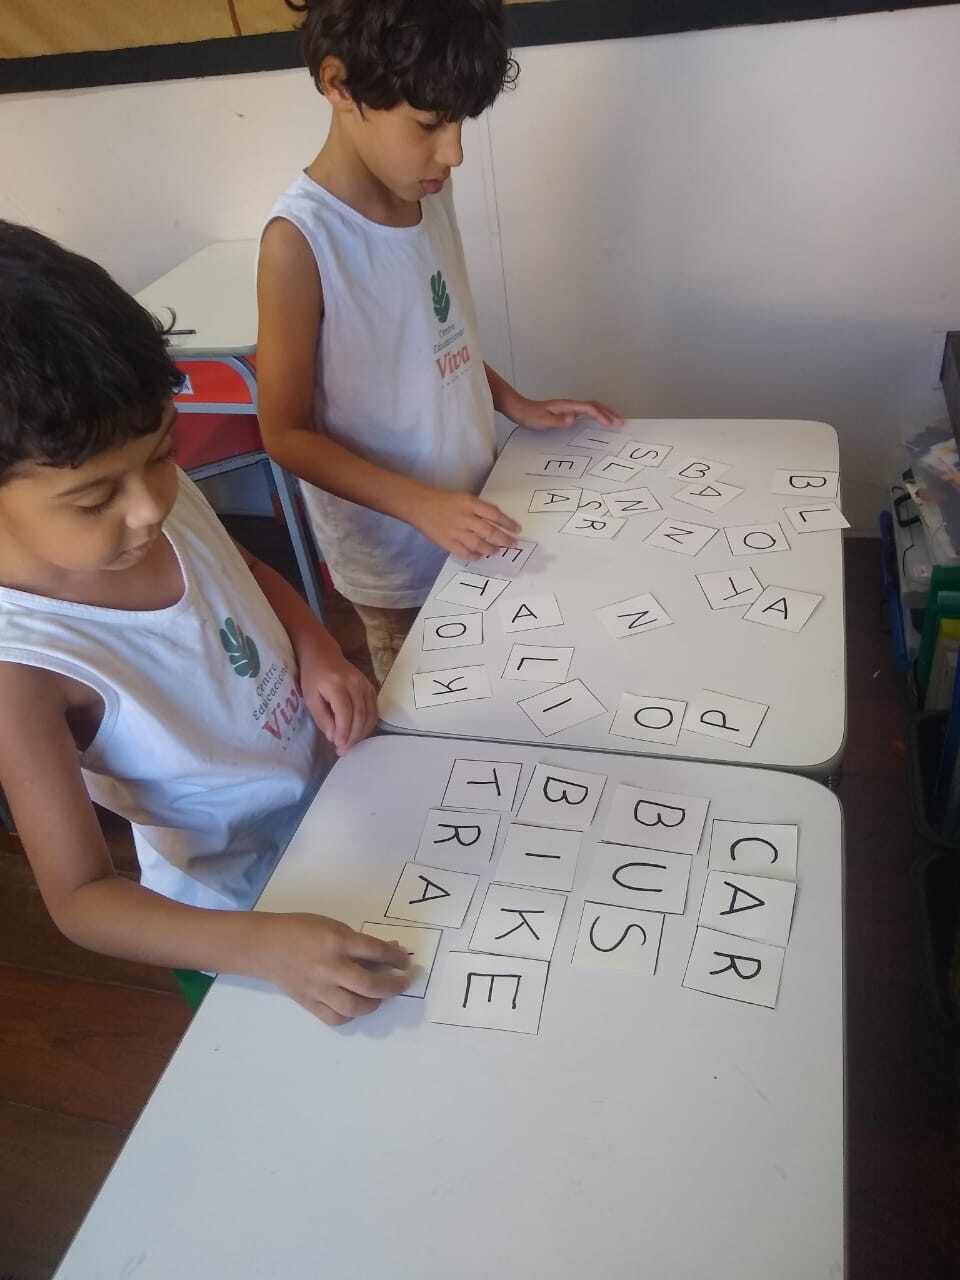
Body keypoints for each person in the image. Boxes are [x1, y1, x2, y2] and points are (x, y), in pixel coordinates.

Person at [0, 221, 411, 1025]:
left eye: (163, 452)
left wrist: (318, 650)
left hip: (340, 807)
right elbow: (81, 897)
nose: (150, 506)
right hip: (232, 915)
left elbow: (242, 572)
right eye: (94, 498)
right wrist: (259, 946)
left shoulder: (147, 489)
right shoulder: (22, 666)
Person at [257, 0, 622, 683]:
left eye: (460, 123)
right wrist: (420, 506)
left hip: (475, 509)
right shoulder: (300, 244)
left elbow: (436, 339)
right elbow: (284, 434)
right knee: (431, 705)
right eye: (429, 124)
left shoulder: (428, 191)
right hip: (397, 565)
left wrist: (512, 401)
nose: (453, 152)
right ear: (339, 85)